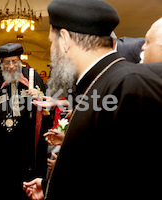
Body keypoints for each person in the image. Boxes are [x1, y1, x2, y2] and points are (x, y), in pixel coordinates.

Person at [23, 0, 162, 199]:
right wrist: (49, 185)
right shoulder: (98, 83)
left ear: (64, 39)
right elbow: (97, 162)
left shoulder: (130, 85)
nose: (52, 49)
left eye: (51, 41)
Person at [0, 43, 49, 200]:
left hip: (27, 141)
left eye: (14, 61)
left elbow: (47, 109)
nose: (11, 66)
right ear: (1, 64)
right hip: (1, 143)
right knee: (4, 183)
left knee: (27, 182)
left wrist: (39, 97)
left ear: (20, 61)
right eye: (7, 62)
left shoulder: (33, 76)